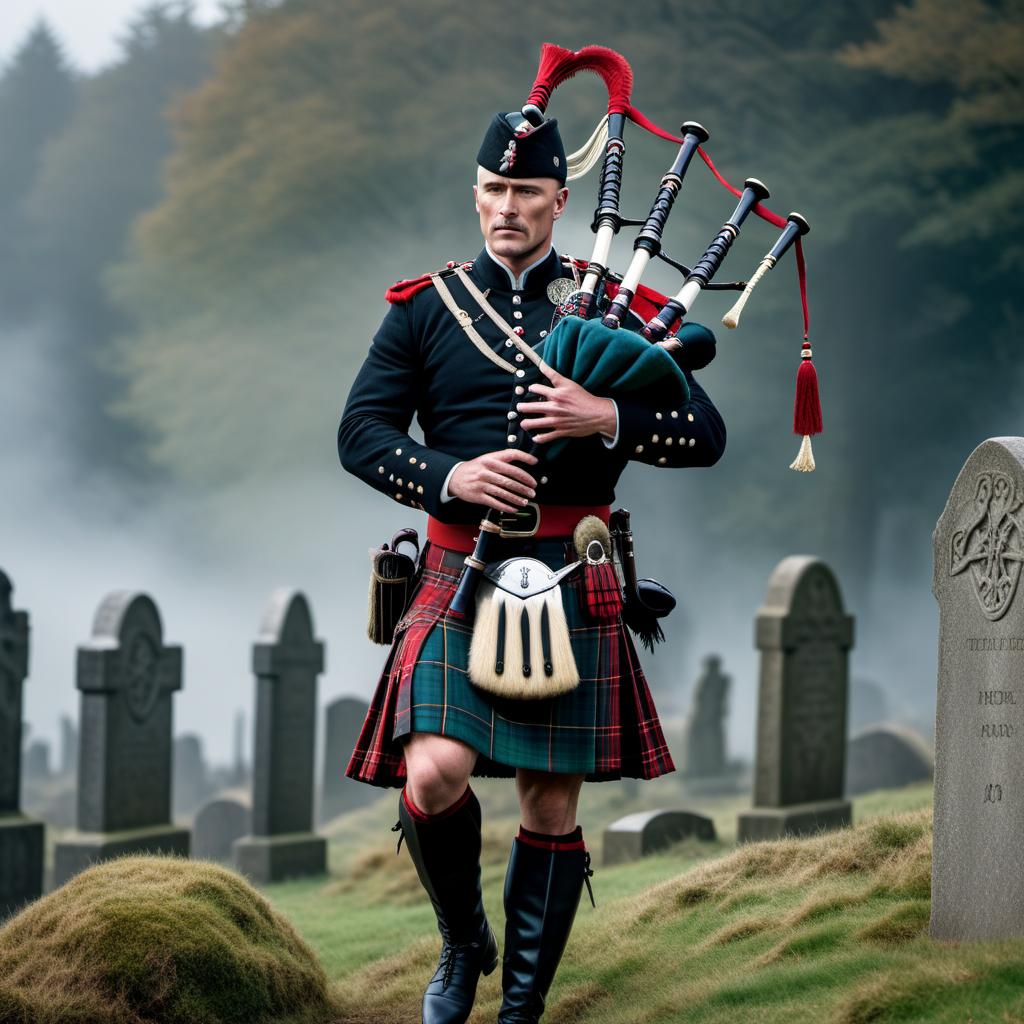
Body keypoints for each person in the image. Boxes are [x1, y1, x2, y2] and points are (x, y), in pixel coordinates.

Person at [337, 108, 725, 1024]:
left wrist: (607, 420)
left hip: (572, 566)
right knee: (433, 771)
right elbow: (361, 433)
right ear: (476, 196)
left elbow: (704, 435)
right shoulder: (427, 309)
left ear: (560, 200)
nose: (506, 209)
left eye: (525, 194)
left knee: (551, 803)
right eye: (493, 192)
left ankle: (519, 1009)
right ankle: (461, 942)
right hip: (458, 566)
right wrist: (450, 473)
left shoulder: (620, 312)